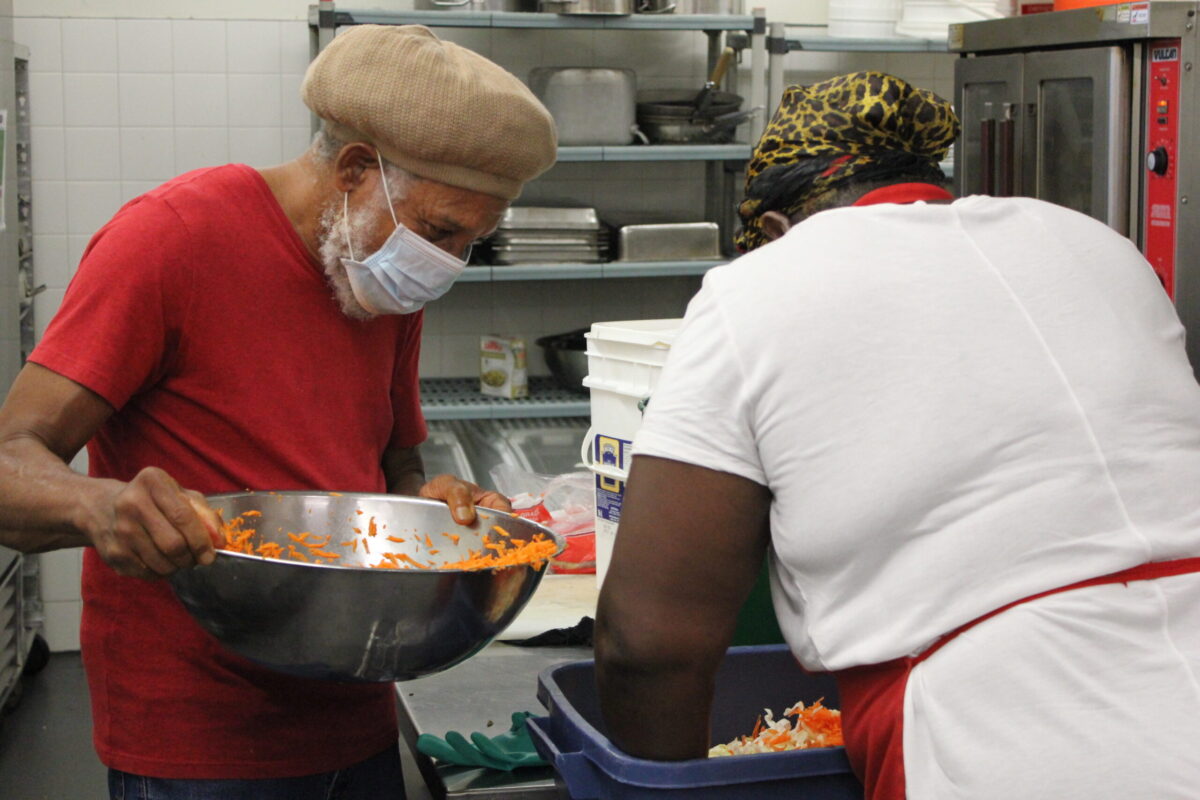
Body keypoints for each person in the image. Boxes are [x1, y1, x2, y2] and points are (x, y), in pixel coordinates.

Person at [594, 71, 1200, 800]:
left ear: (777, 231)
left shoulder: (757, 290)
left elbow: (647, 646)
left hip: (1015, 743)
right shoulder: (1094, 243)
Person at [0, 24, 556, 799]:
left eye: (473, 241)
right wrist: (104, 507)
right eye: (440, 231)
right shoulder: (171, 241)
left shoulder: (380, 275)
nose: (448, 263)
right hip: (200, 733)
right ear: (357, 169)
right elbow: (9, 462)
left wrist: (430, 504)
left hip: (357, 697)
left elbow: (392, 458)